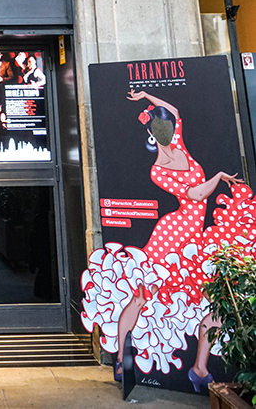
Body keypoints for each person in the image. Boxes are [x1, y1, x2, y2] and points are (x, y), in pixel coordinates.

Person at [81, 89, 256, 390]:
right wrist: (219, 177)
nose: (169, 130)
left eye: (170, 127)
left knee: (213, 299)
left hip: (193, 237)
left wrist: (146, 95)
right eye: (161, 128)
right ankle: (123, 356)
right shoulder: (157, 171)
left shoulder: (179, 144)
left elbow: (173, 110)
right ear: (151, 132)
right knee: (141, 295)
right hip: (172, 236)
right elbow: (196, 194)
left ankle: (199, 368)